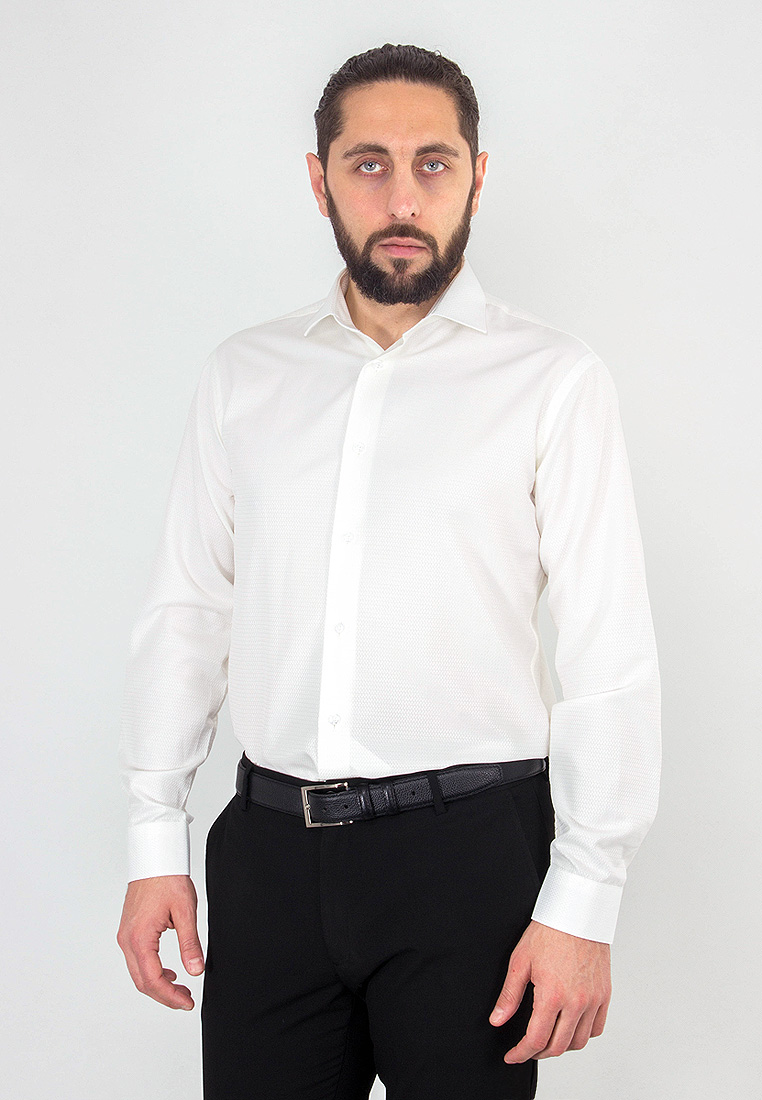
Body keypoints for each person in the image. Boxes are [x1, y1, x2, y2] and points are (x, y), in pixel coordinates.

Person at [116, 42, 661, 1100]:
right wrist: (153, 838)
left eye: (432, 163)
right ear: (318, 179)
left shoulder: (553, 379)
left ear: (477, 177)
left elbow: (609, 654)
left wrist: (585, 899)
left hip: (472, 861)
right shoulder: (245, 373)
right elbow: (189, 609)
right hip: (269, 856)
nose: (402, 198)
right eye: (368, 164)